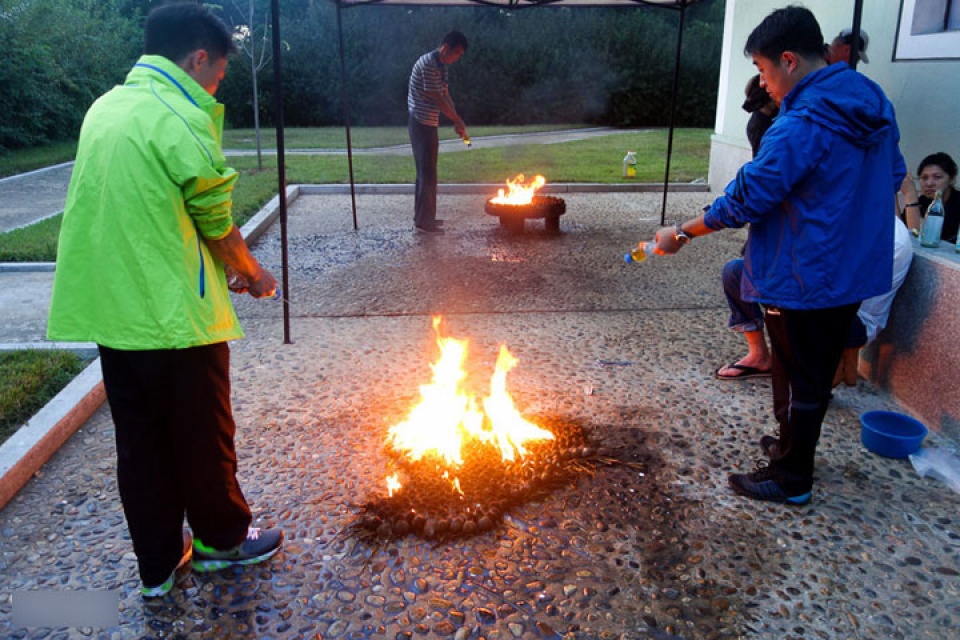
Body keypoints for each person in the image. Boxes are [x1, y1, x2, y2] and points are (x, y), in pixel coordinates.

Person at [47, 2, 283, 598]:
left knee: (141, 441)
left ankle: (156, 565)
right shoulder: (176, 114)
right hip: (171, 316)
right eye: (220, 73)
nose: (217, 84)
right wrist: (253, 274)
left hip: (114, 311)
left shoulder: (107, 107)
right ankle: (222, 542)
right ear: (198, 57)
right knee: (203, 435)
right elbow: (213, 215)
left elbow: (143, 208)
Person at [651, 6, 905, 504]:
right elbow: (893, 174)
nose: (763, 83)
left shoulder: (802, 124)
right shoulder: (871, 102)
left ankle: (792, 479)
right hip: (850, 270)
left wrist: (680, 233)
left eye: (764, 71)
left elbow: (747, 198)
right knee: (808, 370)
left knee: (798, 375)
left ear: (789, 60)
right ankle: (793, 449)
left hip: (803, 272)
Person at [714, 76, 778, 381]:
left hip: (802, 252)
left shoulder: (797, 129)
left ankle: (793, 364)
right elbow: (753, 187)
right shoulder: (764, 125)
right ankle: (759, 355)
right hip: (771, 221)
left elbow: (751, 193)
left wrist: (684, 232)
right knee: (737, 273)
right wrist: (683, 231)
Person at [407, 31, 469, 235]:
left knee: (428, 172)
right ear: (446, 48)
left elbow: (446, 95)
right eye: (457, 53)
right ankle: (425, 222)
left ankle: (424, 217)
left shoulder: (441, 66)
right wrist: (457, 119)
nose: (458, 57)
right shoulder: (428, 65)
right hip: (420, 122)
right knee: (427, 173)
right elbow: (438, 99)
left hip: (429, 122)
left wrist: (458, 120)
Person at [901, 152, 959, 242]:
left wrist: (910, 196)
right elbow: (900, 231)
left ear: (952, 179)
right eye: (924, 178)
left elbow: (920, 239)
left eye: (937, 177)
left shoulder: (956, 203)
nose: (929, 183)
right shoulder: (923, 201)